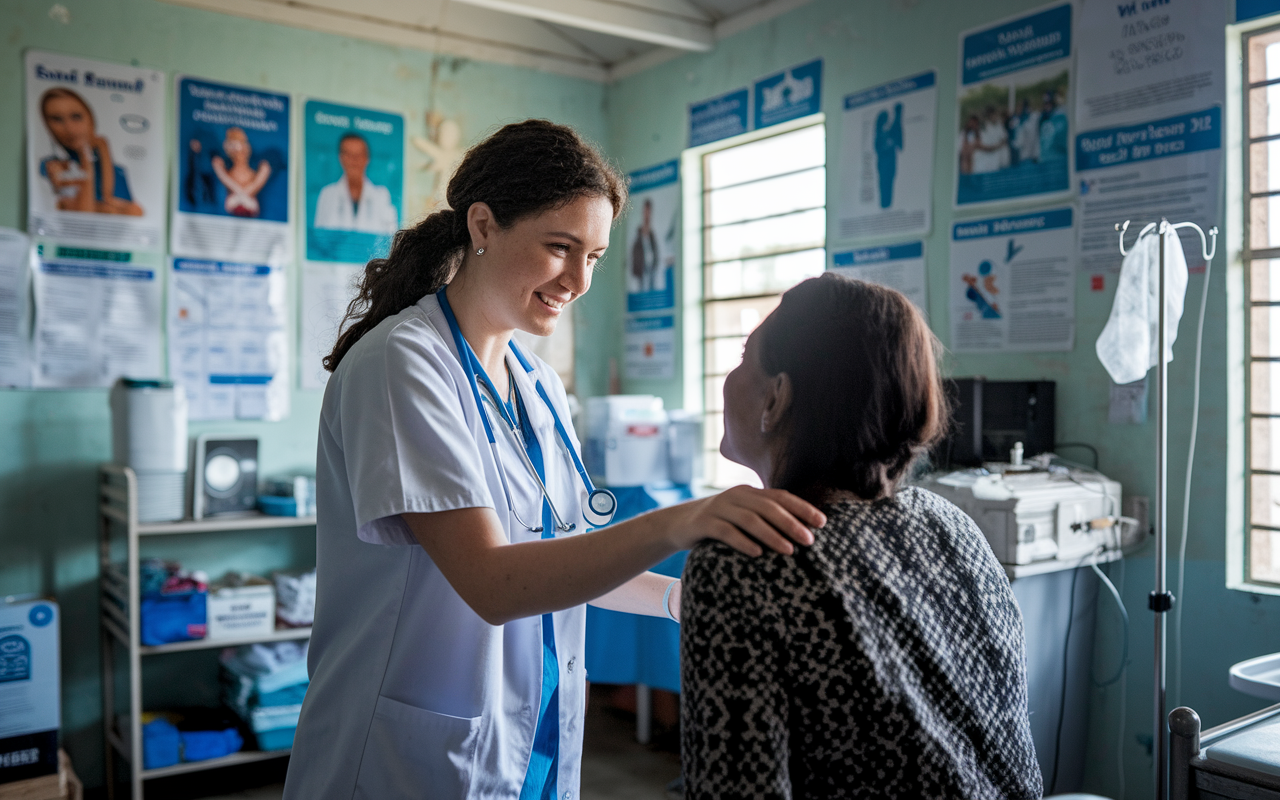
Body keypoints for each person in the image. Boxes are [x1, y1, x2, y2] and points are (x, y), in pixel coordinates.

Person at [282, 120, 825, 800]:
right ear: (483, 224)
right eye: (559, 248)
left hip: (532, 738)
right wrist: (684, 521)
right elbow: (493, 581)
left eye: (594, 256)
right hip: (405, 755)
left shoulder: (536, 383)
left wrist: (684, 599)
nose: (577, 279)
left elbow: (561, 557)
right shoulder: (404, 362)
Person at [679, 274, 1042, 799]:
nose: (729, 377)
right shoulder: (949, 524)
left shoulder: (748, 561)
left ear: (775, 399)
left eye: (742, 358)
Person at [38, 88, 143, 216]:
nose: (69, 128)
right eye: (57, 119)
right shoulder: (51, 166)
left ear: (90, 119)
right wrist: (85, 155)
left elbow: (117, 203)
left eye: (76, 117)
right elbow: (85, 212)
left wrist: (104, 148)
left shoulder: (118, 171)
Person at [313, 132, 399, 233]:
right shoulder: (327, 194)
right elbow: (319, 238)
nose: (354, 160)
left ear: (367, 158)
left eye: (359, 155)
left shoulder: (382, 196)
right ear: (341, 158)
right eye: (349, 154)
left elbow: (390, 238)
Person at [212, 127, 272, 217]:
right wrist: (243, 198)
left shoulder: (261, 168)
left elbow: (251, 205)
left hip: (247, 205)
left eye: (242, 145)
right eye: (234, 148)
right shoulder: (223, 168)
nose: (239, 152)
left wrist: (240, 197)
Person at [873, 102, 903, 209]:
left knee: (889, 183)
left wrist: (898, 114)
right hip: (883, 165)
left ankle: (887, 204)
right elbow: (877, 147)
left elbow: (897, 131)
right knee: (883, 185)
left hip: (890, 163)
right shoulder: (879, 134)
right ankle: (884, 204)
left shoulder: (891, 131)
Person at [630, 198, 659, 292]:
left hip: (652, 270)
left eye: (649, 211)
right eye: (645, 211)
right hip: (641, 271)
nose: (647, 214)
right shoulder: (638, 233)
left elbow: (656, 252)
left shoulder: (653, 234)